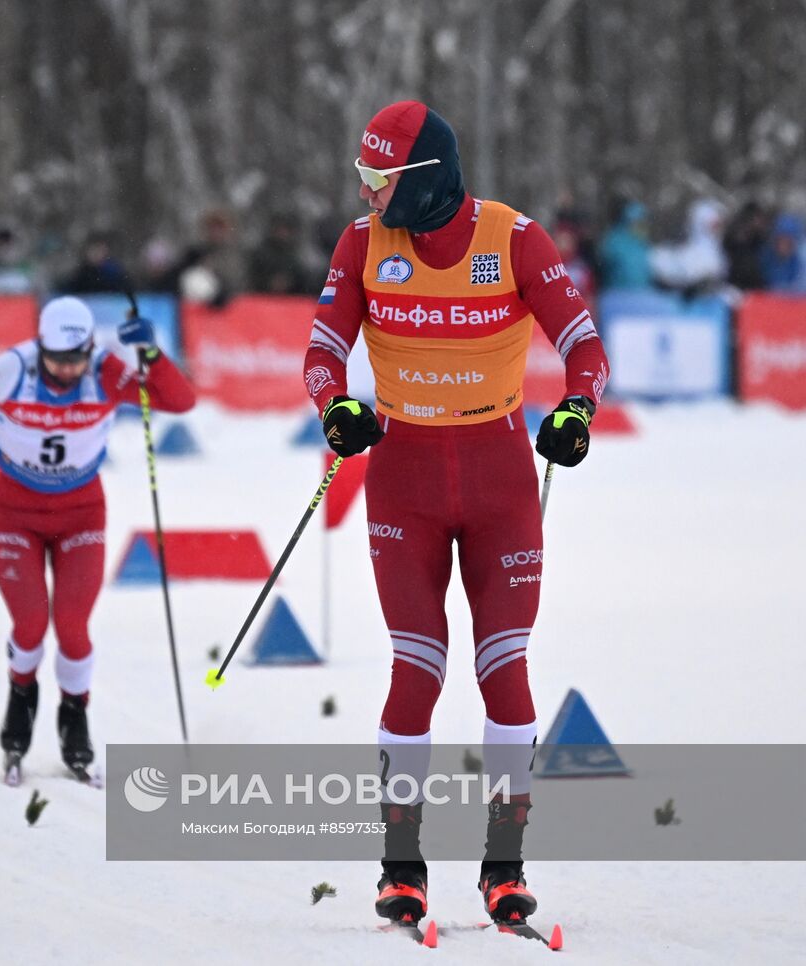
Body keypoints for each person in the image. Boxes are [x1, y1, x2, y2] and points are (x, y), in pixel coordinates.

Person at [302, 102, 610, 926]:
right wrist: (335, 408)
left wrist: (576, 410)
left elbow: (584, 345)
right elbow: (323, 349)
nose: (365, 193)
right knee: (418, 668)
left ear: (423, 182)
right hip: (404, 482)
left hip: (500, 480)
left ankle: (502, 867)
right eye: (361, 177)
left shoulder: (513, 239)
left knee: (504, 671)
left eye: (379, 179)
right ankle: (401, 869)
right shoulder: (364, 244)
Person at [0, 296, 195, 781]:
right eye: (56, 359)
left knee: (71, 624)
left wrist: (151, 355)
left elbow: (179, 400)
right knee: (29, 625)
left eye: (76, 359)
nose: (66, 371)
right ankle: (20, 698)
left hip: (81, 512)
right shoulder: (15, 368)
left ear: (90, 348)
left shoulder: (106, 371)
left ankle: (74, 716)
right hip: (16, 513)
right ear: (40, 345)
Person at [597, 200, 654, 292]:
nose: (642, 226)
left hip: (642, 293)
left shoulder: (643, 244)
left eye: (643, 222)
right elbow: (604, 267)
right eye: (638, 222)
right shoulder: (614, 241)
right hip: (616, 293)